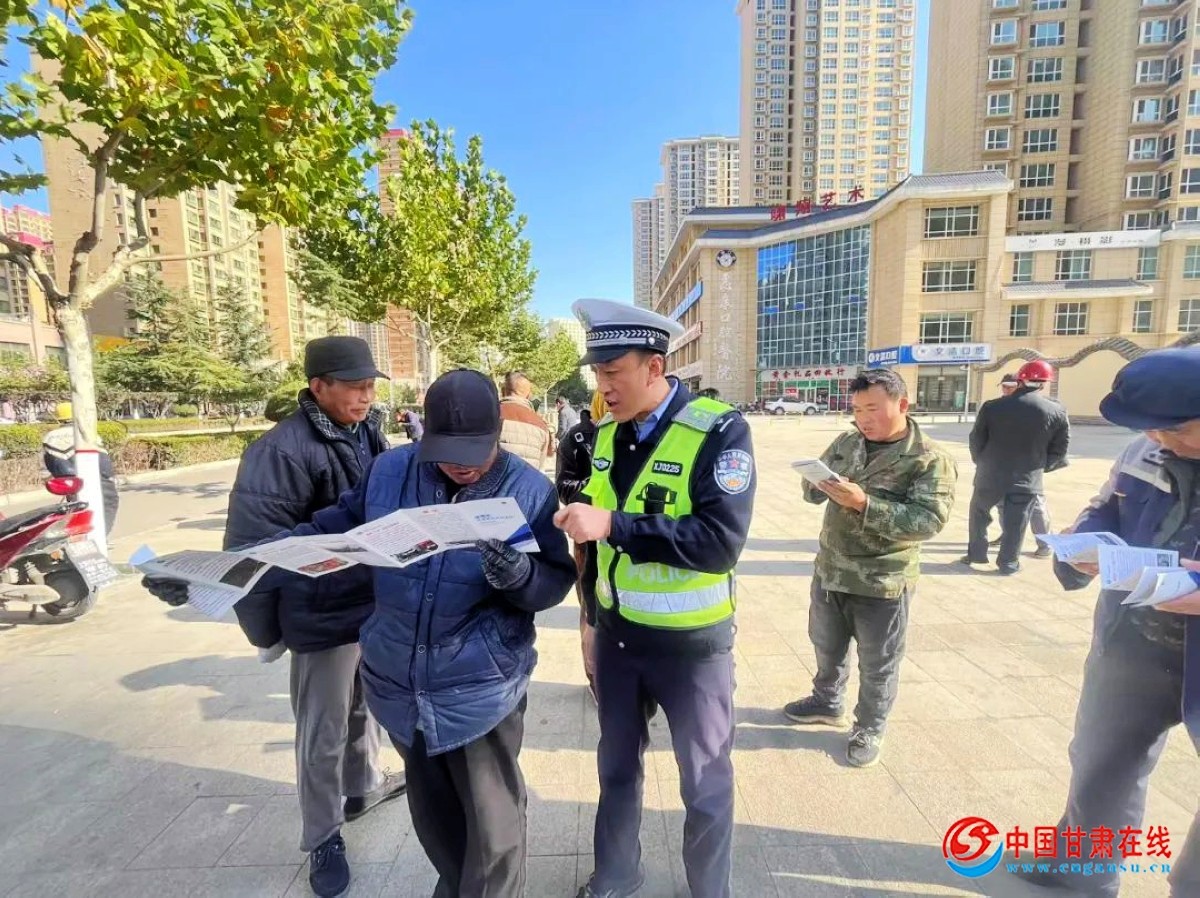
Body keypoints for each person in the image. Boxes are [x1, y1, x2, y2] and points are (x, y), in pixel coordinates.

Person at [149, 368, 577, 898]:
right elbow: (321, 536)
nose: (461, 465)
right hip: (398, 683)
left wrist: (521, 577)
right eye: (446, 452)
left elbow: (553, 583)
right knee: (436, 821)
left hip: (479, 687)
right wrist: (217, 574)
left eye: (474, 451)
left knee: (495, 835)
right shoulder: (389, 471)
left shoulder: (530, 490)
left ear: (497, 433)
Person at [556, 299, 755, 898]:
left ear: (655, 366)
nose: (603, 386)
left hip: (693, 650)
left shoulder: (719, 431)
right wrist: (590, 620)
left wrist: (614, 524)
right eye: (598, 373)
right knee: (616, 769)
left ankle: (710, 890)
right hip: (619, 641)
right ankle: (616, 875)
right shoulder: (605, 436)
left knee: (705, 783)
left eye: (613, 371)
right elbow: (595, 549)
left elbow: (719, 543)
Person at [1011, 347, 1200, 898]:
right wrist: (1083, 541)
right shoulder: (1146, 447)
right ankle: (1080, 871)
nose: (1161, 440)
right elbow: (1107, 506)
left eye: (1178, 430)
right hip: (1133, 642)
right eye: (1151, 430)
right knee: (1101, 761)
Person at [223, 336, 406, 897]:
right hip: (318, 613)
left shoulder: (366, 432)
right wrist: (265, 631)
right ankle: (323, 835)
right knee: (322, 730)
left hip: (368, 604)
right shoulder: (279, 452)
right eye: (355, 387)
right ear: (317, 386)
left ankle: (362, 787)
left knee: (365, 708)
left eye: (371, 387)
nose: (366, 397)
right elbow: (252, 552)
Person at [784, 368, 957, 768]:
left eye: (873, 409)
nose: (863, 418)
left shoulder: (928, 458)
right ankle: (827, 701)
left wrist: (864, 503)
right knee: (826, 645)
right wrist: (817, 484)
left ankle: (869, 727)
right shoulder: (848, 441)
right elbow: (812, 490)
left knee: (879, 661)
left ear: (902, 404)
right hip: (831, 570)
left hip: (883, 581)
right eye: (858, 409)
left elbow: (928, 521)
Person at [964, 359, 1070, 574]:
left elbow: (976, 439)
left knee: (979, 515)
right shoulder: (1056, 411)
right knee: (1016, 524)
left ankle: (976, 554)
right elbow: (1060, 449)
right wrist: (1040, 467)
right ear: (1044, 384)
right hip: (1026, 478)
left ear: (1020, 380)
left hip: (989, 475)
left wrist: (981, 462)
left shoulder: (993, 407)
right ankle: (1009, 564)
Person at [555, 391, 607, 701]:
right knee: (590, 603)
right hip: (587, 540)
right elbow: (563, 486)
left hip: (625, 537)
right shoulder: (576, 438)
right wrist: (599, 489)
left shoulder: (639, 433)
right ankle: (595, 677)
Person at [989, 373, 1055, 553]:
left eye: (1010, 386)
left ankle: (1045, 543)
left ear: (1020, 386)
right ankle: (1008, 536)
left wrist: (1044, 463)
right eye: (1004, 386)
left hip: (1028, 467)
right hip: (1001, 465)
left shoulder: (1037, 407)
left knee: (1035, 505)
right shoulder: (997, 407)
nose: (1006, 390)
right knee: (1003, 503)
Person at [41, 402, 120, 535]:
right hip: (96, 479)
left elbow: (46, 466)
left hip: (69, 484)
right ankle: (102, 537)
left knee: (77, 510)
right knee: (109, 504)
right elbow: (104, 463)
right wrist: (111, 478)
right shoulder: (86, 433)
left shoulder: (49, 437)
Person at [499, 370, 552, 470]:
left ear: (503, 391)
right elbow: (540, 465)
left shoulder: (488, 415)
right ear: (529, 395)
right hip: (527, 478)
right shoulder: (541, 425)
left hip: (493, 479)